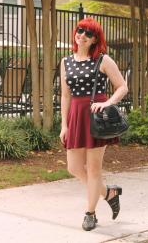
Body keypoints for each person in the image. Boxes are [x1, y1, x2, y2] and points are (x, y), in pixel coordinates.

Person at [60, 17, 128, 231]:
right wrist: (64, 125)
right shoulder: (65, 62)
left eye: (89, 33)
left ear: (95, 39)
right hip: (75, 117)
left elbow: (122, 87)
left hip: (96, 118)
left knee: (93, 169)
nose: (82, 35)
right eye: (80, 30)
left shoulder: (102, 60)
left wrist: (106, 102)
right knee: (74, 167)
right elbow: (65, 96)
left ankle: (90, 213)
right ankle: (108, 192)